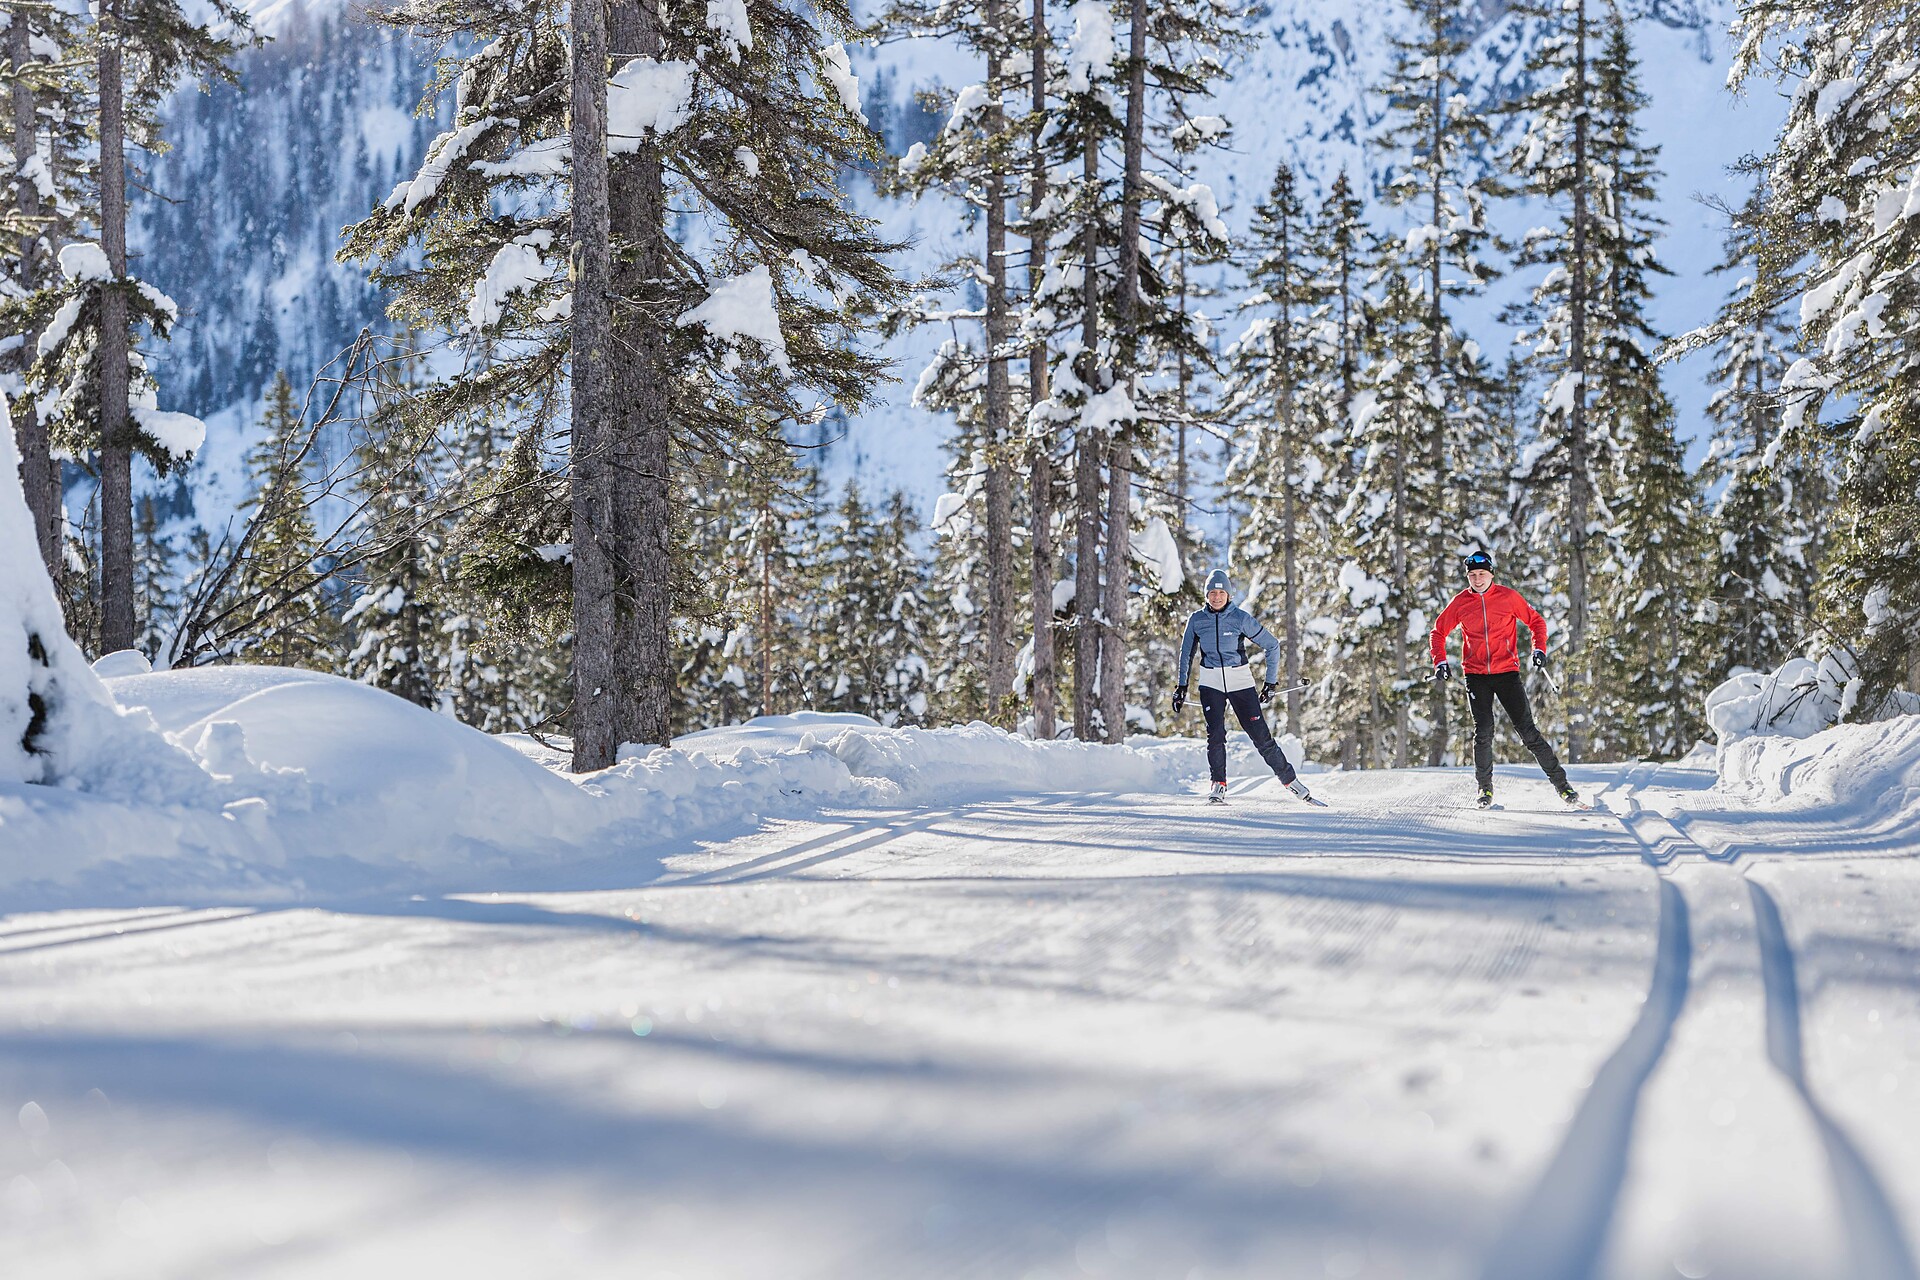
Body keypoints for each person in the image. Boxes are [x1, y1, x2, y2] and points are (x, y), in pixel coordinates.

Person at [1429, 550, 1581, 809]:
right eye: (1472, 575)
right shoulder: (1461, 602)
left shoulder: (1508, 597)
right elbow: (1438, 632)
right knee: (1484, 732)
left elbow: (1536, 622)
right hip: (1476, 675)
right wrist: (1440, 661)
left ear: (1491, 574)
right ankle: (1484, 789)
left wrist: (1539, 649)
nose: (1477, 580)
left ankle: (1563, 786)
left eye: (1482, 574)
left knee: (1528, 732)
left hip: (1506, 673)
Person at [1172, 569, 1322, 806]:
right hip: (1210, 681)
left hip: (1239, 680)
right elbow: (1186, 654)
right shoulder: (1197, 620)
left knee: (1260, 736)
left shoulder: (1240, 618)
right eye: (1212, 593)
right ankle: (1218, 784)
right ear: (1206, 595)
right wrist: (1181, 686)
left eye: (1221, 592)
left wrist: (1270, 682)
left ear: (1229, 595)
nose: (1217, 597)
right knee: (1216, 735)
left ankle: (1291, 782)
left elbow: (1272, 645)